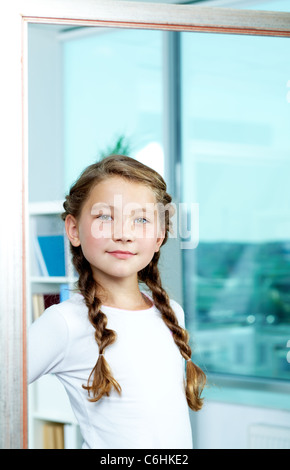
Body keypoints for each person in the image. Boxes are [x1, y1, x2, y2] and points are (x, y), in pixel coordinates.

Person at [28, 154, 206, 449]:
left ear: (159, 235)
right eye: (105, 217)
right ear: (74, 230)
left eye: (141, 219)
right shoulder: (63, 323)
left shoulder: (172, 313)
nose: (123, 234)